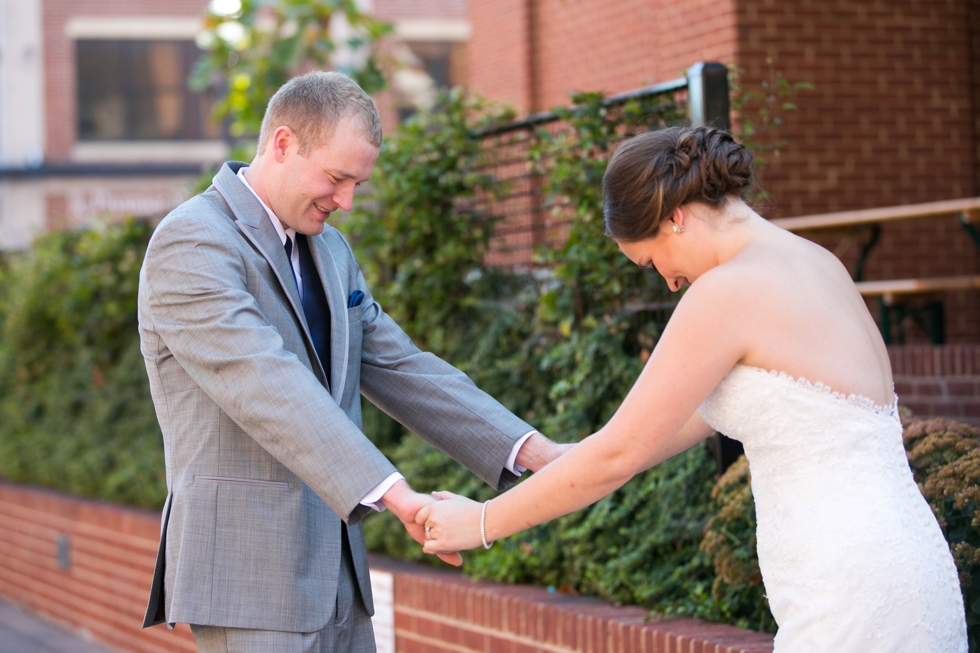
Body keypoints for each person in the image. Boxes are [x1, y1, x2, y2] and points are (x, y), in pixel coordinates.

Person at [418, 126, 968, 651]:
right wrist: (565, 459)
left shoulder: (727, 292)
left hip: (847, 585)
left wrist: (480, 523)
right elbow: (672, 423)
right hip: (902, 563)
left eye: (652, 260)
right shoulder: (818, 264)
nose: (667, 280)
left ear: (675, 218)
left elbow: (620, 453)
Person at [137, 70, 567, 652]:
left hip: (339, 570)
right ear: (283, 144)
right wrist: (396, 494)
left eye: (357, 183)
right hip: (250, 571)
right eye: (338, 178)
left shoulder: (330, 249)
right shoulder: (191, 241)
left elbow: (400, 366)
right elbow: (264, 382)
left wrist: (543, 455)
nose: (347, 201)